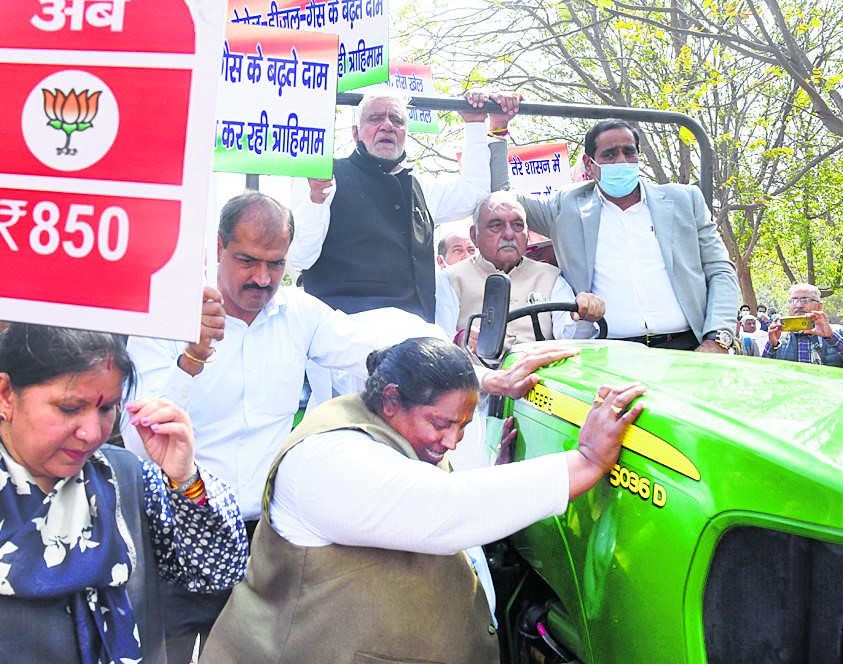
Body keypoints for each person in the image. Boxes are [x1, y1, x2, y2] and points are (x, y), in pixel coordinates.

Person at [201, 337, 646, 663]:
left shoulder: (396, 437)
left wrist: (497, 477)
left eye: (463, 426)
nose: (451, 441)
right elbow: (444, 511)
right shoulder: (327, 458)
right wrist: (586, 460)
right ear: (391, 400)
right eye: (440, 423)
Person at [123, 191, 418, 661]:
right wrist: (191, 359)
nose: (262, 279)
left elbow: (377, 354)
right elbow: (140, 440)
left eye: (276, 264)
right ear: (217, 248)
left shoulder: (300, 313)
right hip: (176, 530)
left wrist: (479, 375)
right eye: (247, 260)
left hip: (266, 540)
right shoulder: (167, 314)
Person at [0, 323, 247, 664]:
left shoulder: (124, 477)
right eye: (69, 408)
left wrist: (185, 478)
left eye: (106, 409)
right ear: (6, 395)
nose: (90, 433)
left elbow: (216, 572)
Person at [288, 90, 519, 323]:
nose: (387, 126)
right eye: (375, 118)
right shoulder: (323, 179)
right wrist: (316, 200)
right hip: (346, 334)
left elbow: (475, 194)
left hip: (415, 336)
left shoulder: (420, 186)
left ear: (405, 133)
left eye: (397, 120)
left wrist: (474, 123)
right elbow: (300, 258)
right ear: (356, 133)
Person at [515, 119, 740, 351]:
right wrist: (494, 129)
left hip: (690, 349)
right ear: (589, 164)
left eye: (629, 152)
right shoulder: (565, 208)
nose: (621, 161)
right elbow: (499, 200)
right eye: (610, 155)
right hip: (610, 356)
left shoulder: (684, 200)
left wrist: (717, 338)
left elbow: (720, 270)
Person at [446, 191, 605, 345]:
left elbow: (574, 338)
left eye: (517, 225)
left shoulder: (550, 276)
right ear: (474, 235)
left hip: (542, 369)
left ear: (527, 234)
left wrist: (585, 312)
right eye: (496, 225)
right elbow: (440, 339)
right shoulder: (451, 280)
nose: (509, 234)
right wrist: (460, 340)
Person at [762, 283, 843, 366]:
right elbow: (763, 370)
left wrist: (831, 337)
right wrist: (772, 345)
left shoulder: (838, 332)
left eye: (805, 300)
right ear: (788, 306)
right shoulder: (779, 336)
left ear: (819, 306)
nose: (799, 305)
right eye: (794, 300)